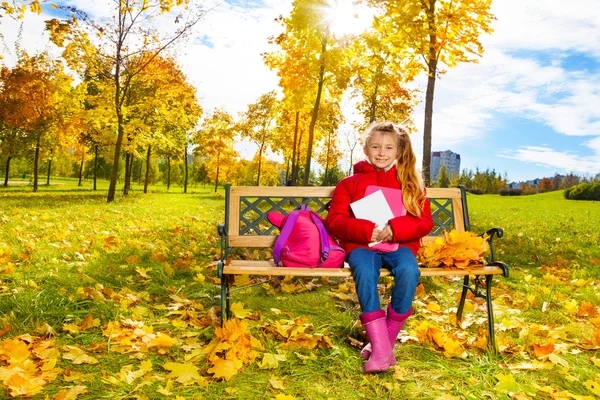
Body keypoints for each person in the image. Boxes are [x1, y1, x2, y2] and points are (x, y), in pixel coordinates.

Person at [325, 122, 433, 373]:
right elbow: (335, 220)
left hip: (400, 245)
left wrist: (396, 228)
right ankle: (383, 351)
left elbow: (425, 222)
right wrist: (364, 230)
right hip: (362, 246)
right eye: (375, 146)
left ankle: (382, 345)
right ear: (365, 148)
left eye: (388, 147)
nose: (382, 152)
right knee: (364, 271)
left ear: (398, 150)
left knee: (409, 271)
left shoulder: (410, 183)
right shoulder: (348, 184)